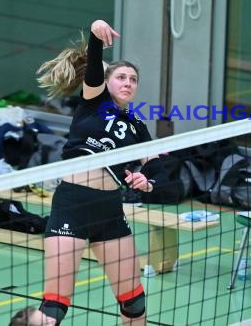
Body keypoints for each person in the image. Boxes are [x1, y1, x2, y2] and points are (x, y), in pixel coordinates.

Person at [33, 19, 167, 325]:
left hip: (109, 213)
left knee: (134, 304)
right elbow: (94, 64)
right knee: (54, 308)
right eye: (121, 77)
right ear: (106, 82)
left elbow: (157, 162)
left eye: (133, 79)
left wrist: (148, 179)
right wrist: (95, 33)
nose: (128, 83)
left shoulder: (137, 128)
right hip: (73, 205)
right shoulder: (93, 102)